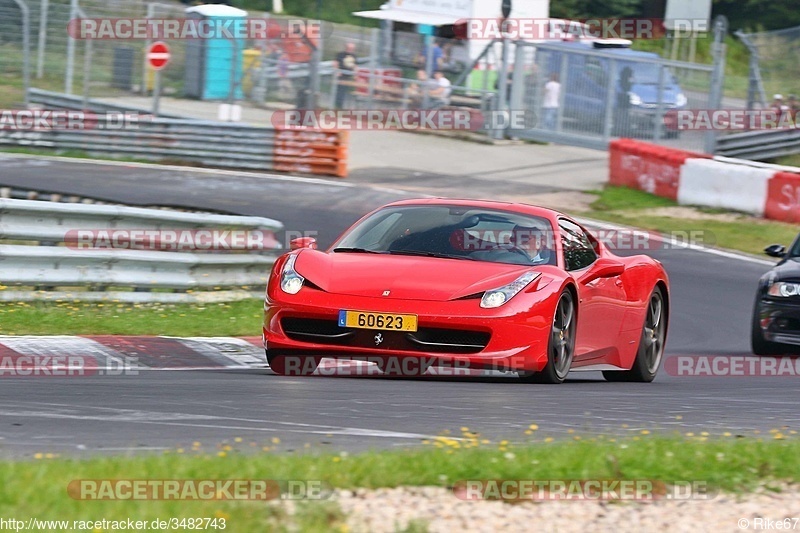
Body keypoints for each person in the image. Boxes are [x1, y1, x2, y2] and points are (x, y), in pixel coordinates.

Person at [334, 42, 357, 109]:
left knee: (346, 92)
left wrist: (355, 74)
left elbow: (355, 65)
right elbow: (335, 63)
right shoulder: (341, 54)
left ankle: (345, 107)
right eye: (350, 48)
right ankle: (338, 106)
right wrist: (337, 71)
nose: (351, 50)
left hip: (348, 76)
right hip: (341, 75)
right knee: (340, 91)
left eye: (352, 48)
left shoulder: (354, 56)